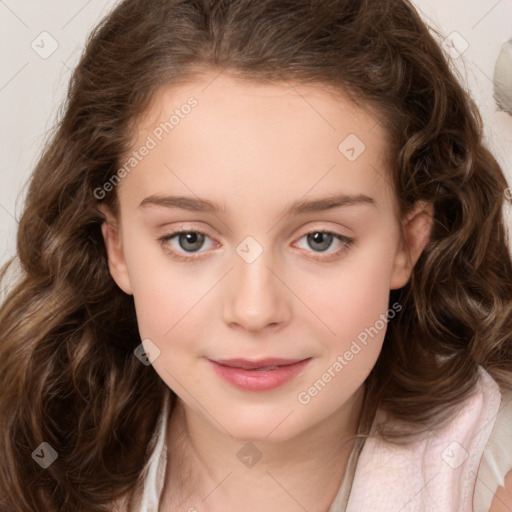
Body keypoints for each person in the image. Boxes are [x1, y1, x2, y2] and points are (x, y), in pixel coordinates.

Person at [0, 0, 511, 511]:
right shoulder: (34, 461)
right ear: (118, 248)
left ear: (408, 243)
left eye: (320, 239)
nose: (254, 310)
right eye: (190, 239)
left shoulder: (493, 475)